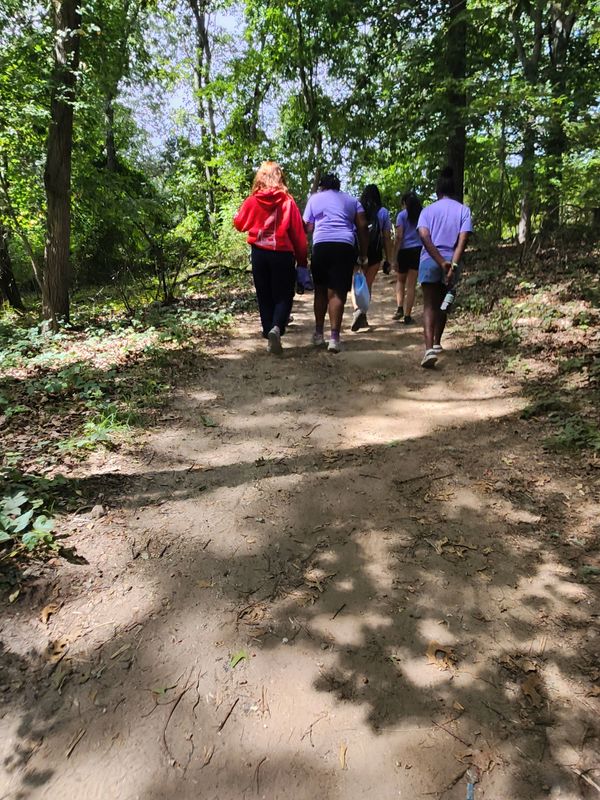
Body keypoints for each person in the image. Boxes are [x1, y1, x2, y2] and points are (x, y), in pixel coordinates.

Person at [234, 161, 307, 355]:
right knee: (284, 294)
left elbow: (240, 224)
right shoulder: (287, 202)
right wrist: (302, 261)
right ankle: (276, 328)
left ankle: (269, 333)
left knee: (264, 294)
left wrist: (236, 216)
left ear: (260, 177)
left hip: (259, 254)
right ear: (279, 177)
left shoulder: (252, 200)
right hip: (282, 254)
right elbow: (298, 235)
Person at [303, 173, 368, 353]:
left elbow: (307, 226)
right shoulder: (352, 201)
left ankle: (318, 334)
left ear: (322, 186)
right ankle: (334, 338)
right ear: (338, 186)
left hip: (321, 246)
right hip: (344, 247)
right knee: (337, 292)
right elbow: (363, 226)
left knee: (320, 290)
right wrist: (363, 254)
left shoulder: (314, 199)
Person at [417, 167, 472, 368]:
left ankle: (429, 349)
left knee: (429, 305)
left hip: (429, 260)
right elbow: (462, 240)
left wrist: (440, 261)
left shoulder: (427, 211)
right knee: (444, 302)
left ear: (437, 191)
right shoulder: (463, 210)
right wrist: (452, 265)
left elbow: (424, 236)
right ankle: (437, 342)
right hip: (452, 259)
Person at [351, 184, 393, 331]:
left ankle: (357, 309)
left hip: (358, 250)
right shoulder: (383, 212)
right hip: (375, 252)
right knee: (367, 284)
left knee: (356, 282)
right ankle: (363, 315)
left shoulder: (357, 209)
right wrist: (389, 258)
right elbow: (386, 237)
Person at [391, 191, 423, 325]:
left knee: (400, 280)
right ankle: (408, 316)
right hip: (417, 250)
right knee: (411, 284)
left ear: (404, 203)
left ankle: (399, 307)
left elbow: (399, 236)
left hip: (404, 250)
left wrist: (394, 256)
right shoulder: (421, 214)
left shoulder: (401, 215)